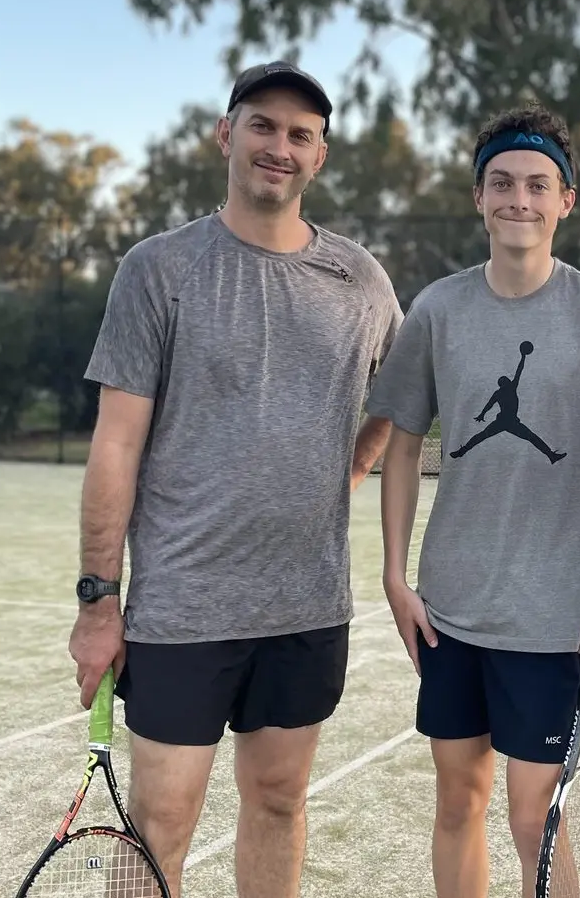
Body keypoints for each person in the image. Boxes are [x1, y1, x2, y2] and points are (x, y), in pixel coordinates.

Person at [68, 61, 404, 898]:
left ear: (320, 155)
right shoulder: (158, 269)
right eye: (262, 125)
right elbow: (115, 445)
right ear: (226, 135)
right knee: (161, 826)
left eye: (300, 134)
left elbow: (402, 399)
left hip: (306, 608)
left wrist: (352, 467)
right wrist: (97, 601)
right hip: (183, 610)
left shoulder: (359, 279)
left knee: (281, 803)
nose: (279, 147)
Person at [364, 101, 580, 898]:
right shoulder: (437, 310)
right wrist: (395, 574)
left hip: (552, 616)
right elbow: (402, 439)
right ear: (479, 197)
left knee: (536, 816)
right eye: (502, 182)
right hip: (449, 607)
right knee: (459, 796)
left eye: (537, 184)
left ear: (565, 200)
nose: (518, 199)